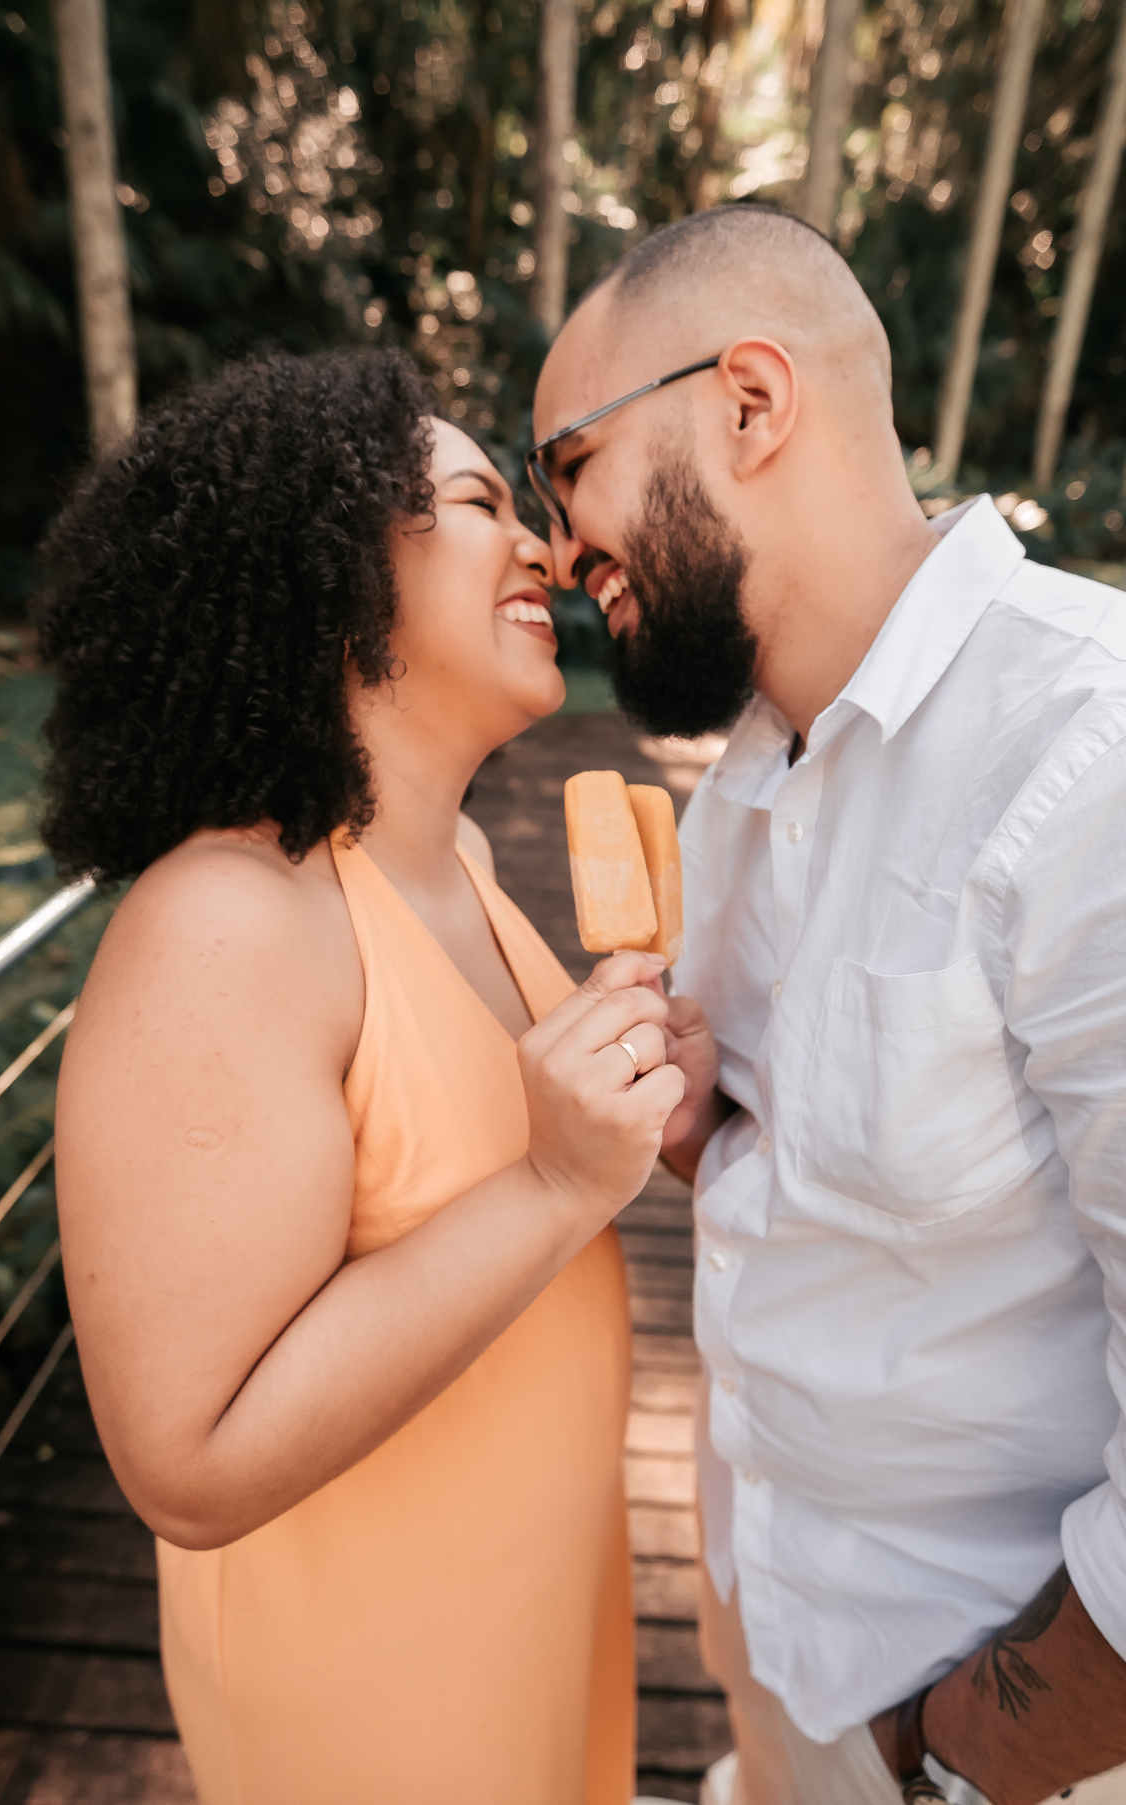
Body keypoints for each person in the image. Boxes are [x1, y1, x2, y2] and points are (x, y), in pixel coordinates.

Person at [528, 203, 1126, 1805]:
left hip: (996, 1731)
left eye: (569, 468)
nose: (557, 550)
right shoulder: (739, 784)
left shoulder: (1093, 757)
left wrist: (967, 1753)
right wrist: (711, 1127)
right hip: (773, 1624)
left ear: (749, 402)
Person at [40, 349, 685, 1805]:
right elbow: (188, 1459)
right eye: (478, 503)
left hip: (535, 1613)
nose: (545, 548)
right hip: (379, 1693)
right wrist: (555, 1182)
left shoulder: (459, 859)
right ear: (329, 573)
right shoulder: (226, 924)